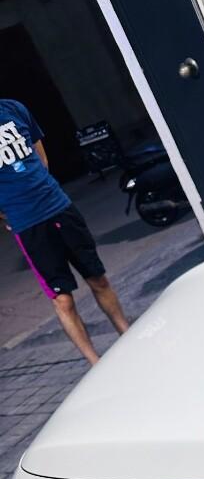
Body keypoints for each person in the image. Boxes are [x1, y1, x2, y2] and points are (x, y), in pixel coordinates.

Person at [0, 98, 129, 365]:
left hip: (59, 207)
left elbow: (40, 154)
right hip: (28, 224)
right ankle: (95, 363)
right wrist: (8, 212)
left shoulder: (13, 108)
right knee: (63, 300)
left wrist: (41, 187)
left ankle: (127, 337)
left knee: (98, 279)